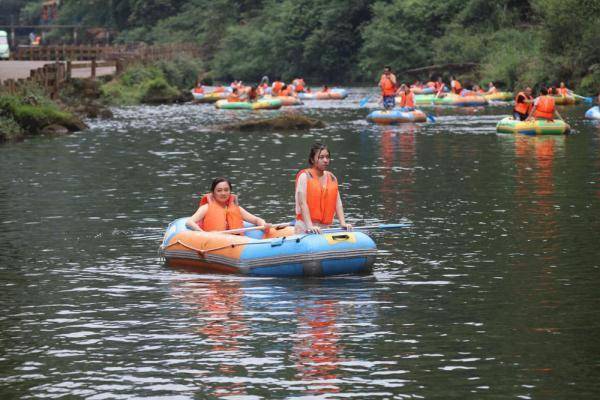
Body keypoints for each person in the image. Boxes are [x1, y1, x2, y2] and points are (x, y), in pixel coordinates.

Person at [294, 142, 352, 234]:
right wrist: (310, 226)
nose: (325, 160)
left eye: (327, 157)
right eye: (321, 157)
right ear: (312, 159)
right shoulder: (304, 176)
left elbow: (338, 203)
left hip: (325, 227)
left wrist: (343, 223)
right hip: (305, 225)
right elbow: (302, 203)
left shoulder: (332, 178)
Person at [186, 178, 270, 234]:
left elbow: (256, 220)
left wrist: (264, 224)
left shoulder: (237, 208)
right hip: (214, 241)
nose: (223, 193)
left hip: (236, 243)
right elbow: (189, 222)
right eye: (219, 190)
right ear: (213, 192)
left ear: (230, 192)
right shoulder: (206, 207)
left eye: (226, 190)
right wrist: (202, 233)